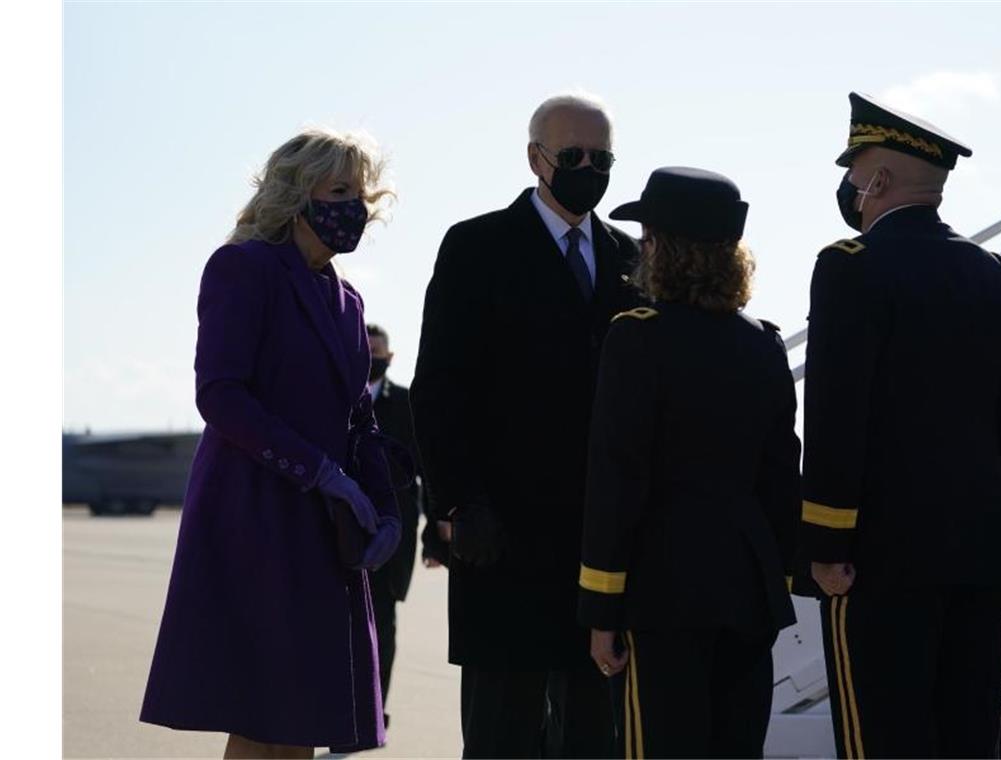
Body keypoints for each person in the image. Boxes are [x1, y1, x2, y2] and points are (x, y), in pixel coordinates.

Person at [798, 92, 1001, 759]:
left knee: (886, 742)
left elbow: (835, 412)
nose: (850, 186)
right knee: (965, 740)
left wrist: (825, 544)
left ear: (876, 179)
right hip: (980, 556)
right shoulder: (997, 275)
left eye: (855, 169)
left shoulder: (850, 267)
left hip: (880, 563)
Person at [140, 128, 403, 760]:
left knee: (304, 719)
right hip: (254, 515)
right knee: (261, 715)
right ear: (298, 190)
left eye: (362, 192)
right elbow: (221, 394)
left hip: (320, 532)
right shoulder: (244, 266)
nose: (355, 207)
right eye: (341, 190)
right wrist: (318, 471)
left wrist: (385, 505)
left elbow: (360, 416)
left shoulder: (346, 299)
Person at [410, 92, 642, 758]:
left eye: (602, 158)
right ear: (535, 157)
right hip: (501, 534)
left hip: (598, 543)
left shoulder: (629, 257)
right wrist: (456, 502)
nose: (588, 168)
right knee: (503, 731)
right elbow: (439, 389)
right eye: (573, 156)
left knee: (595, 733)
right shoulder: (477, 246)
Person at [578, 167, 801, 759]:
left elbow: (616, 479)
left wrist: (601, 607)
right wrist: (774, 582)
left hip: (662, 588)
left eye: (648, 237)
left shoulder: (637, 336)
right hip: (747, 589)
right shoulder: (763, 342)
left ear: (663, 248)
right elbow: (782, 475)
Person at [362, 322, 449, 728]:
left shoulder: (405, 404)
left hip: (392, 530)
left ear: (390, 357)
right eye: (365, 349)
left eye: (377, 350)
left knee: (382, 620)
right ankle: (342, 708)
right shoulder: (336, 397)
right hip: (339, 528)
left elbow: (427, 468)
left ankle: (374, 710)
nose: (372, 356)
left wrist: (434, 534)